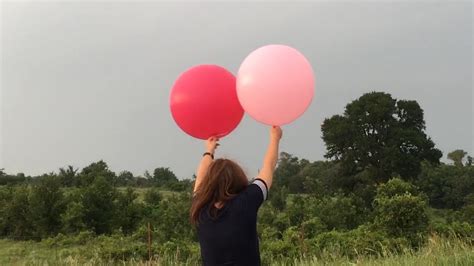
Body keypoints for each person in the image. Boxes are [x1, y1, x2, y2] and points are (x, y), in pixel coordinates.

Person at [190, 126, 282, 266]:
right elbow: (268, 168)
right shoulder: (246, 202)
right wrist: (275, 138)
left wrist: (209, 150)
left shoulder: (201, 209)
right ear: (238, 179)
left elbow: (200, 179)